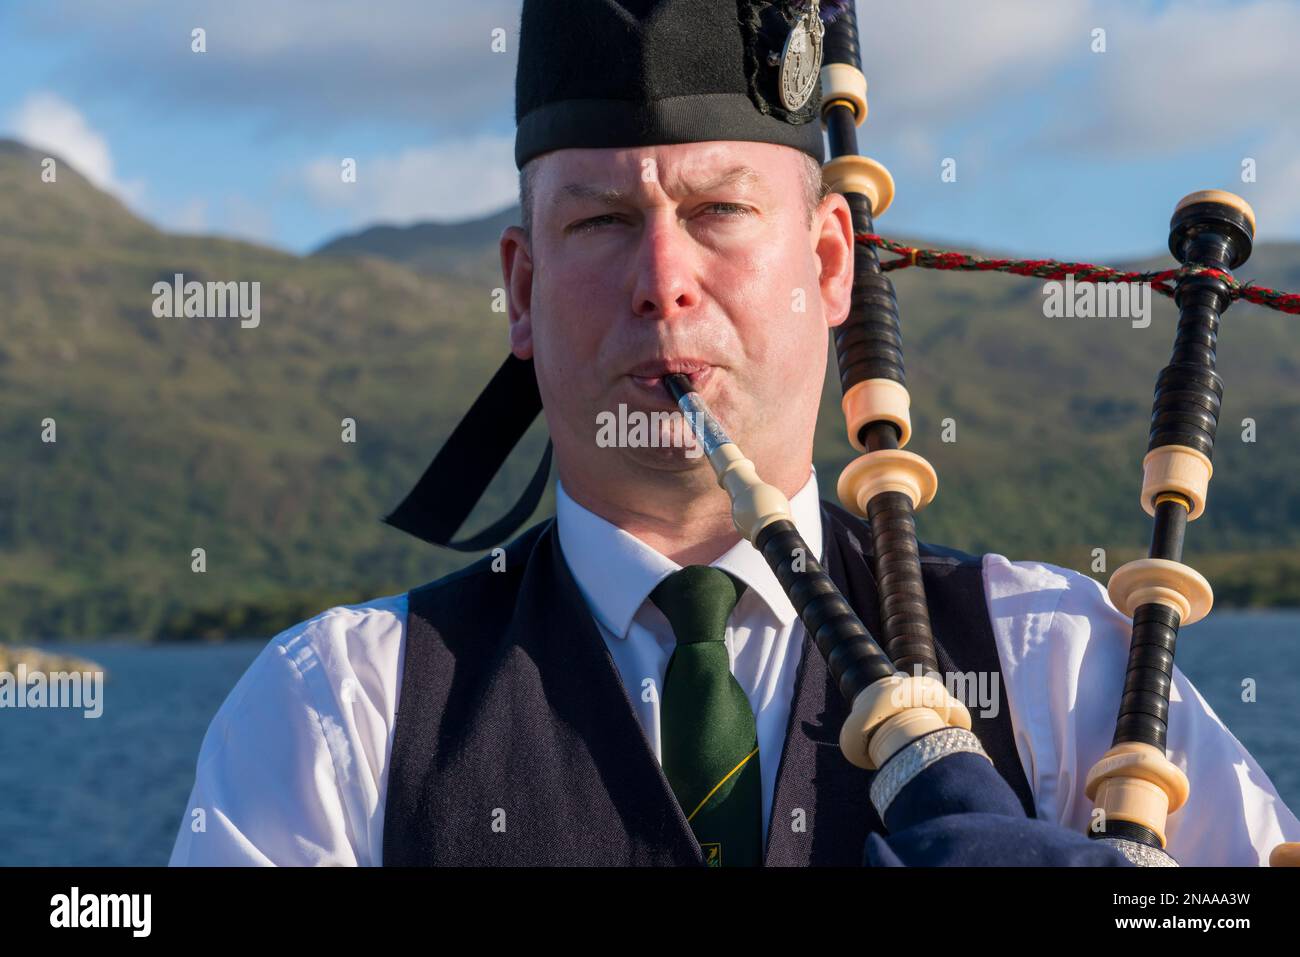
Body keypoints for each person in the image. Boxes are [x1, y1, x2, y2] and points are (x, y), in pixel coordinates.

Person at [168, 0, 1299, 867]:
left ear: (826, 262)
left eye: (717, 213)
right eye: (603, 221)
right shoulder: (337, 713)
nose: (663, 282)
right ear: (520, 290)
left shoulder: (1057, 662)